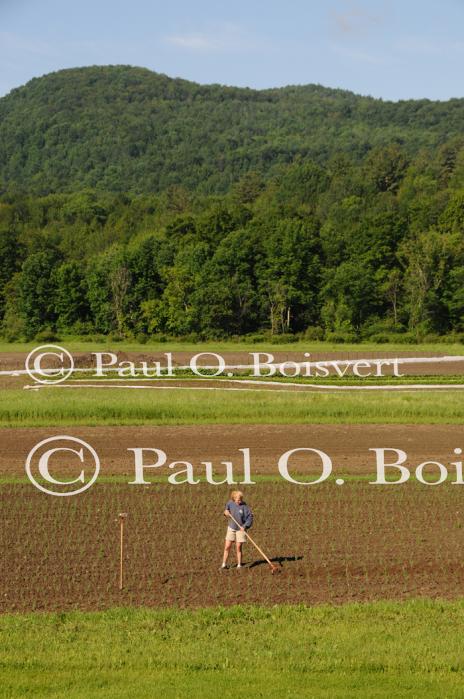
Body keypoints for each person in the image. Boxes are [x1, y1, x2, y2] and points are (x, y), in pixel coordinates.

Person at [221, 490, 253, 569]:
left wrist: (245, 526)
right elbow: (226, 510)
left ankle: (239, 565)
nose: (240, 501)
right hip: (231, 527)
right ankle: (223, 564)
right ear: (234, 498)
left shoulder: (245, 507)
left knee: (238, 547)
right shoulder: (230, 503)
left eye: (241, 499)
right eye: (238, 500)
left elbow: (250, 517)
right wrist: (225, 512)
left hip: (240, 529)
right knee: (227, 546)